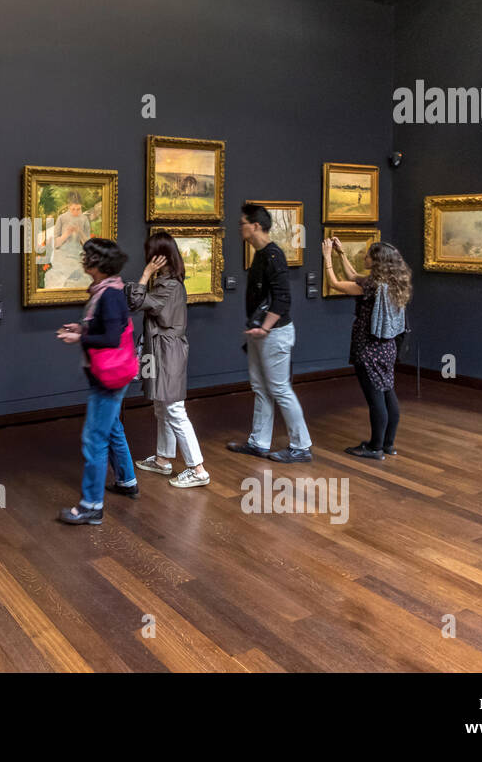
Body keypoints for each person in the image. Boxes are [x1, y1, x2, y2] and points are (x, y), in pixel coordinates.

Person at [55, 237, 138, 524]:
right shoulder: (106, 290)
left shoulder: (110, 294)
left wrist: (80, 336)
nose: (83, 259)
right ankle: (127, 481)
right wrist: (81, 327)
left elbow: (111, 338)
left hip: (108, 377)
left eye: (87, 256)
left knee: (94, 439)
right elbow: (105, 327)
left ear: (99, 264)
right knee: (112, 427)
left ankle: (91, 506)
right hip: (109, 375)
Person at [226, 203, 314, 462]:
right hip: (261, 333)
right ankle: (259, 442)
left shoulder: (273, 255)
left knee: (280, 389)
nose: (239, 227)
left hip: (274, 334)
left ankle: (301, 446)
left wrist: (264, 328)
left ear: (255, 225)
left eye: (242, 223)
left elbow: (283, 299)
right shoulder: (261, 254)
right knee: (261, 387)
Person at [127, 232, 209, 488]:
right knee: (161, 407)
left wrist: (144, 273)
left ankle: (198, 469)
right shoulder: (167, 283)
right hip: (159, 351)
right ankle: (163, 459)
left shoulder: (169, 286)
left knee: (175, 409)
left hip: (167, 352)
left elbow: (135, 301)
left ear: (158, 257)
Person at [322, 238, 411, 460]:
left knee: (375, 400)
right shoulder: (390, 283)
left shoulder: (372, 287)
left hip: (369, 350)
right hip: (387, 348)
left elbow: (336, 284)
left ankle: (374, 448)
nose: (364, 258)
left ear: (378, 261)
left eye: (368, 255)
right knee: (388, 394)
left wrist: (326, 258)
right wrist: (341, 254)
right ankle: (388, 445)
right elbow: (353, 277)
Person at [44, 192, 92, 288]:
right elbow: (56, 244)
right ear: (68, 207)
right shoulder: (62, 218)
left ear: (81, 207)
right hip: (63, 253)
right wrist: (66, 234)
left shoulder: (84, 219)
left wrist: (80, 232)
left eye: (78, 209)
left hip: (78, 253)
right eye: (73, 209)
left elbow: (88, 245)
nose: (75, 212)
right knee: (63, 275)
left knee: (81, 275)